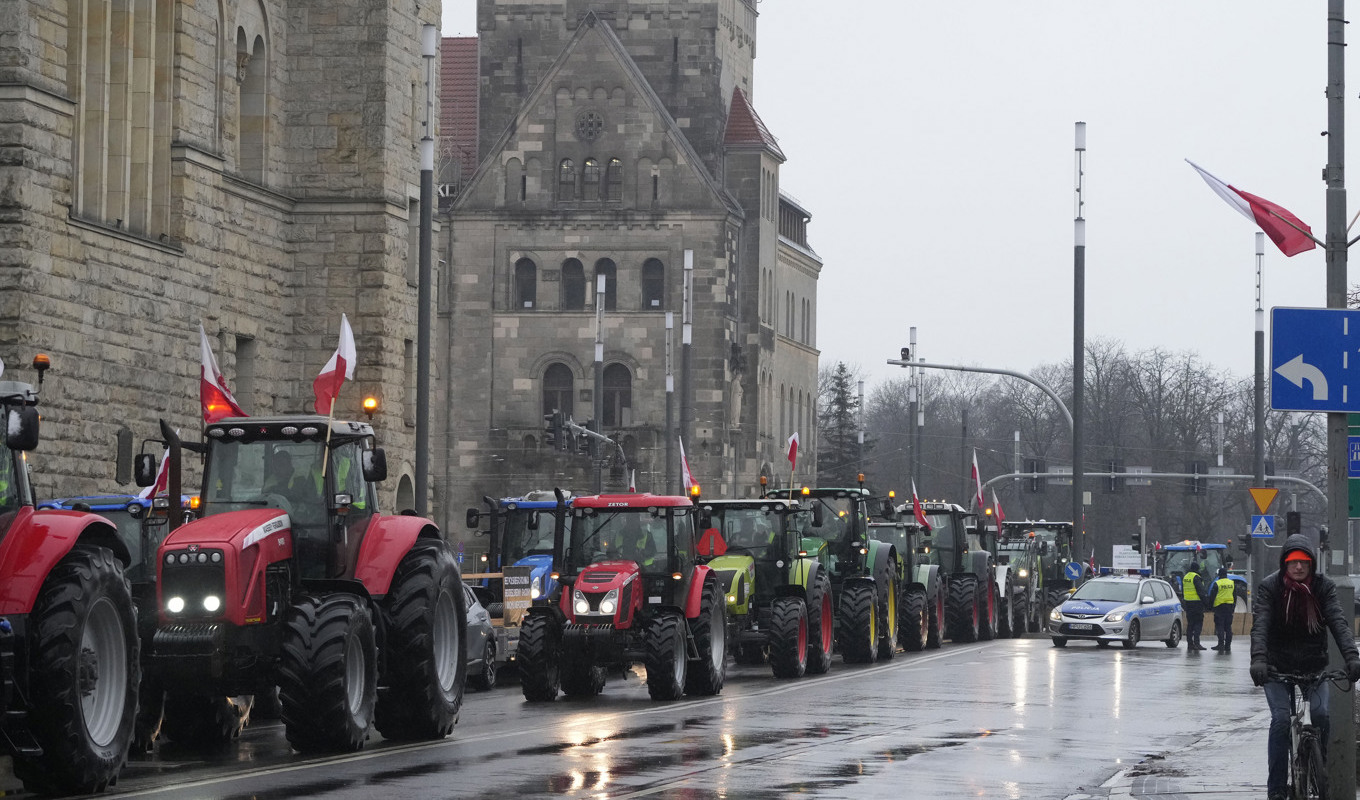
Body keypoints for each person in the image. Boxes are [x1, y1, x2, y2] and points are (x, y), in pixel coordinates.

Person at [1249, 535, 1360, 800]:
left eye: (1304, 562)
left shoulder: (1323, 588)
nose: (1298, 567)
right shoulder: (1270, 588)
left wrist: (1351, 656)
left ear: (1311, 563)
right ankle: (1276, 789)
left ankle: (1315, 762)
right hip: (1276, 668)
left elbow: (1338, 622)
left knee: (1321, 715)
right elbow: (1261, 626)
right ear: (1284, 564)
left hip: (1314, 667)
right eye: (1292, 562)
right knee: (1280, 721)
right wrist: (1259, 660)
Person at [1181, 561, 1208, 652]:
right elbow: (1201, 591)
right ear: (1197, 569)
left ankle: (1190, 644)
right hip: (1197, 604)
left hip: (1188, 603)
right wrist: (1206, 603)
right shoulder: (1196, 577)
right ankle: (1197, 643)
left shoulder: (1185, 577)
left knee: (1190, 624)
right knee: (1198, 623)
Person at [1209, 567, 1237, 653]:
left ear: (1219, 575)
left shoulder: (1217, 583)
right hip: (1229, 607)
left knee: (1220, 626)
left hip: (1219, 607)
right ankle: (1228, 646)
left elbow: (1212, 596)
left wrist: (1210, 607)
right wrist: (1233, 607)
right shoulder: (1232, 583)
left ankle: (1220, 645)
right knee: (1228, 627)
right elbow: (1234, 596)